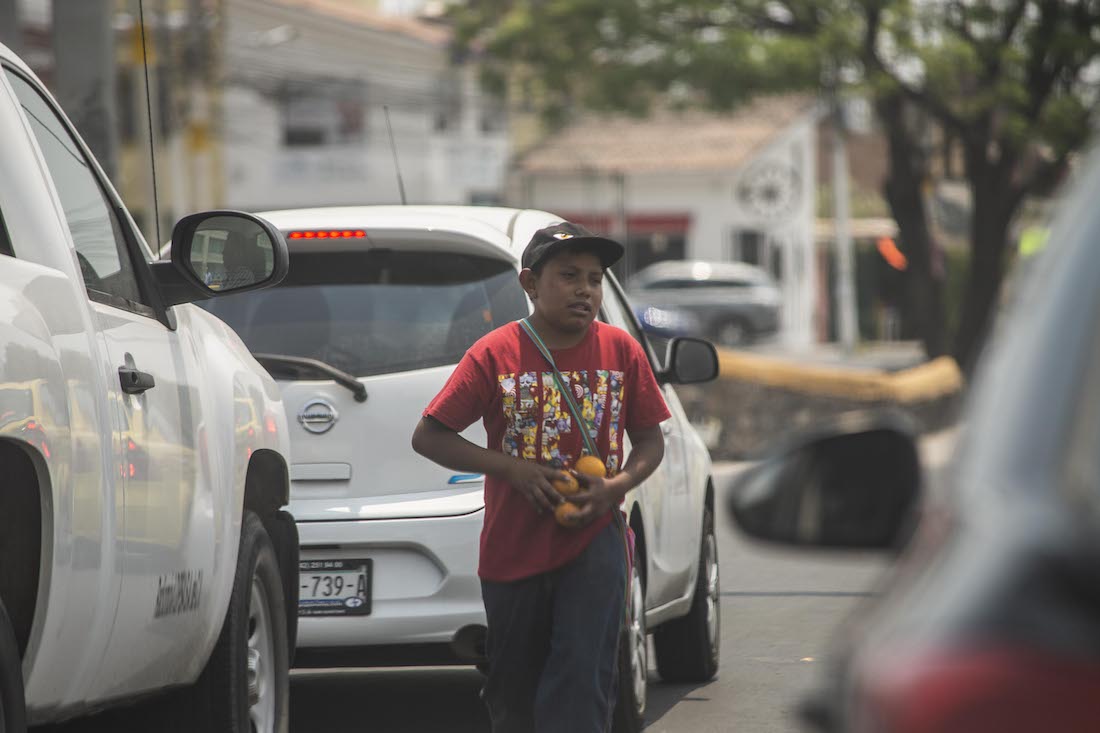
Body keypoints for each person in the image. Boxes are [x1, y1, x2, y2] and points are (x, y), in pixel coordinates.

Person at [411, 222, 670, 733]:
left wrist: (617, 488)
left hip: (595, 545)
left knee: (583, 682)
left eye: (595, 279)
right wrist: (513, 468)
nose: (585, 289)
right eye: (569, 275)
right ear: (530, 284)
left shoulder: (622, 352)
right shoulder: (495, 353)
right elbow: (430, 436)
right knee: (515, 691)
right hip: (514, 549)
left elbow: (650, 440)